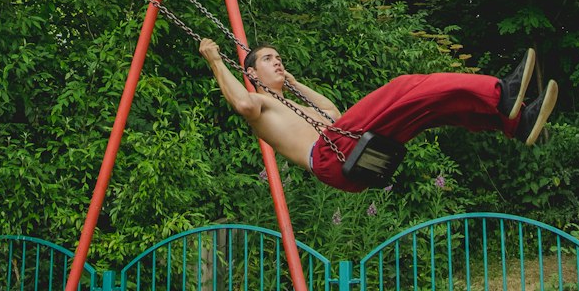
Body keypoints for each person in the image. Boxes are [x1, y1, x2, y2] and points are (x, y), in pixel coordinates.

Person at [198, 39, 557, 194]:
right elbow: (242, 104)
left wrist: (294, 82)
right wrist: (216, 60)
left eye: (279, 57)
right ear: (253, 75)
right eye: (268, 59)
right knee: (405, 86)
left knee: (426, 109)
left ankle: (512, 121)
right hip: (330, 153)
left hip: (342, 148)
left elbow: (331, 112)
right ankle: (500, 92)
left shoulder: (293, 104)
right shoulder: (260, 103)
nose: (277, 61)